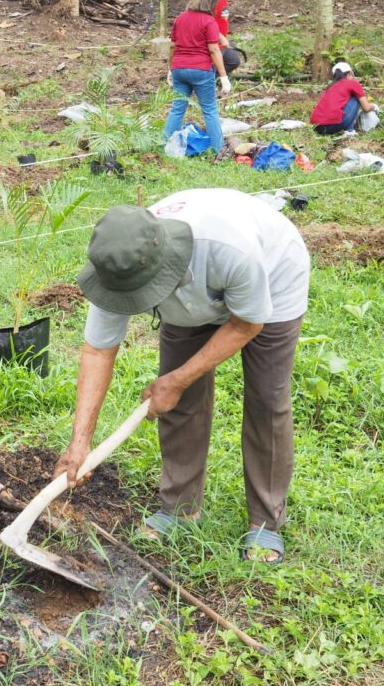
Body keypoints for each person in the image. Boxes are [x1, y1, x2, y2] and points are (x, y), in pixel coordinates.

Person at [55, 189, 310, 564]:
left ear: (164, 269)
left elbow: (245, 323)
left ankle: (265, 522)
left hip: (272, 280)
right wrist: (80, 443)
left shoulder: (231, 249)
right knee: (178, 403)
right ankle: (180, 508)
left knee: (266, 399)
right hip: (190, 305)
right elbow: (97, 350)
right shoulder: (118, 266)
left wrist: (176, 381)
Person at [164, 0, 232, 154]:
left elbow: (173, 46)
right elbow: (213, 49)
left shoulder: (180, 19)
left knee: (177, 108)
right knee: (209, 109)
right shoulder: (209, 21)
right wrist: (224, 76)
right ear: (213, 3)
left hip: (180, 68)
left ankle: (164, 144)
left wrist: (171, 69)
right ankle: (217, 150)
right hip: (201, 70)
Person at [310, 62, 378, 135]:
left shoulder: (330, 87)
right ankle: (349, 130)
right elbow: (366, 108)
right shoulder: (352, 83)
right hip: (334, 126)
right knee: (356, 97)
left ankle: (349, 127)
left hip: (317, 127)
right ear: (349, 74)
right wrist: (374, 107)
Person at [214, 0, 243, 75]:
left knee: (234, 60)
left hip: (222, 41)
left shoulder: (224, 0)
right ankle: (209, 78)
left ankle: (216, 75)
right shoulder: (214, 2)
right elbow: (208, 23)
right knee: (231, 61)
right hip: (215, 42)